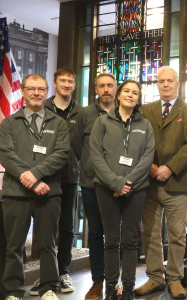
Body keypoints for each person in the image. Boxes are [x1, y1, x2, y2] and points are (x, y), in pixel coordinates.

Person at [0, 74, 70, 300]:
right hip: (15, 194)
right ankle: (13, 291)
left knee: (48, 245)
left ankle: (48, 288)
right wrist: (30, 179)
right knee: (14, 246)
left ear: (46, 91)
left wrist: (36, 176)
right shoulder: (9, 122)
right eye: (32, 89)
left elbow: (61, 154)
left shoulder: (58, 123)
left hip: (48, 193)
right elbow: (6, 154)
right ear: (23, 92)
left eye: (41, 89)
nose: (37, 93)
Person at [134, 66, 187, 299]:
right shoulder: (144, 110)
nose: (165, 85)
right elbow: (138, 141)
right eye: (161, 81)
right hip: (149, 182)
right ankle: (154, 278)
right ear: (157, 84)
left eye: (169, 81)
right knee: (150, 233)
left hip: (177, 182)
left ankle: (174, 279)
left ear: (177, 83)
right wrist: (150, 167)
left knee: (177, 235)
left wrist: (169, 168)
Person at [90, 79, 155, 300]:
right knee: (111, 241)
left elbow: (147, 158)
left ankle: (127, 288)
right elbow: (96, 156)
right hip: (106, 189)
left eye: (135, 93)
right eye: (126, 91)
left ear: (138, 99)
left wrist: (127, 184)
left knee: (130, 240)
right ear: (118, 95)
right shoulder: (102, 122)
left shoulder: (145, 125)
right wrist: (115, 183)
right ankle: (110, 289)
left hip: (135, 190)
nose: (130, 95)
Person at [28, 68, 82, 296]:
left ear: (75, 84)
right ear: (55, 83)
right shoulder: (42, 107)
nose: (67, 84)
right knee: (44, 228)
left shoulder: (82, 112)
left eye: (71, 81)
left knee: (68, 227)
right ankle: (46, 274)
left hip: (69, 176)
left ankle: (63, 272)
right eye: (63, 81)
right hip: (45, 177)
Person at [73, 73, 118, 300]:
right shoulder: (85, 113)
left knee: (116, 234)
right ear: (96, 89)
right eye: (102, 86)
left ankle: (116, 281)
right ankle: (97, 282)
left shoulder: (124, 111)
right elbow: (78, 144)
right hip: (90, 182)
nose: (106, 89)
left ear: (116, 88)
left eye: (110, 85)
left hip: (118, 184)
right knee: (95, 233)